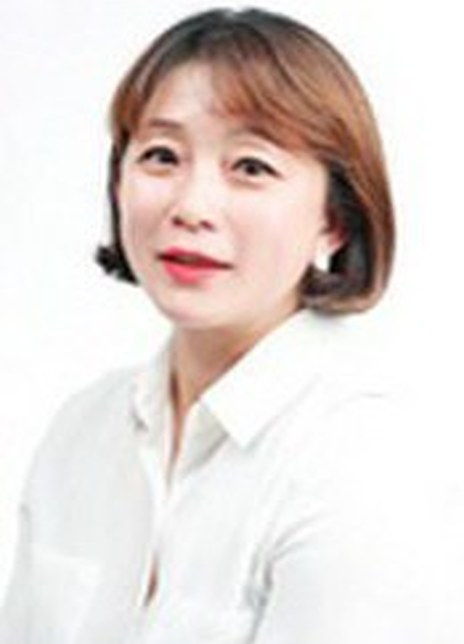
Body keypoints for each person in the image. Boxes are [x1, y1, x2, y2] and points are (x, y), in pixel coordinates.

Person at [1, 7, 453, 644]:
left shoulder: (367, 460)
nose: (192, 207)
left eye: (251, 167)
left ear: (334, 220)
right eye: (161, 156)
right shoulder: (82, 429)